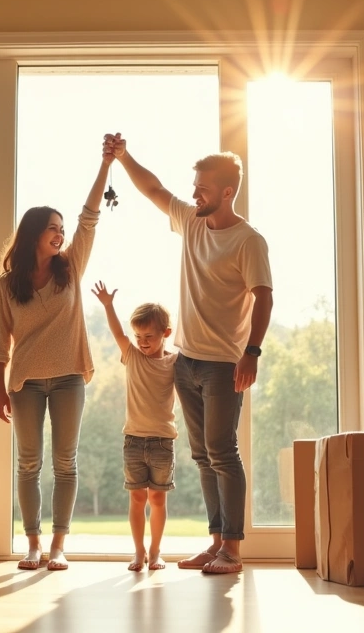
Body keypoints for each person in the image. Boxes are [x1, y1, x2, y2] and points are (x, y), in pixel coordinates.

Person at [103, 133, 273, 574]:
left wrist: (252, 352)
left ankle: (232, 551)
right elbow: (155, 190)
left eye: (202, 187)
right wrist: (123, 157)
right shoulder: (192, 221)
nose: (194, 192)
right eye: (194, 185)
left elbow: (264, 298)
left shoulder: (248, 241)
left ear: (227, 192)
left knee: (222, 450)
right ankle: (216, 542)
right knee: (201, 455)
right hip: (186, 361)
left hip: (223, 364)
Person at [0, 148, 114, 571]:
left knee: (65, 462)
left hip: (68, 379)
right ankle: (33, 545)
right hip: (23, 382)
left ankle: (59, 545)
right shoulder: (7, 285)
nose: (60, 234)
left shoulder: (71, 267)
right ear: (33, 234)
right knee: (28, 463)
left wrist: (105, 166)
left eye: (61, 229)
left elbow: (89, 217)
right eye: (52, 229)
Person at [90, 281, 179, 571]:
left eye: (149, 336)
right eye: (138, 335)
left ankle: (155, 551)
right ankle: (138, 551)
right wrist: (107, 305)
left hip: (163, 442)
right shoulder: (132, 356)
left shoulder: (175, 363)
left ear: (166, 334)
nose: (142, 341)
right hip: (133, 441)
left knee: (158, 498)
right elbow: (118, 333)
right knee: (138, 498)